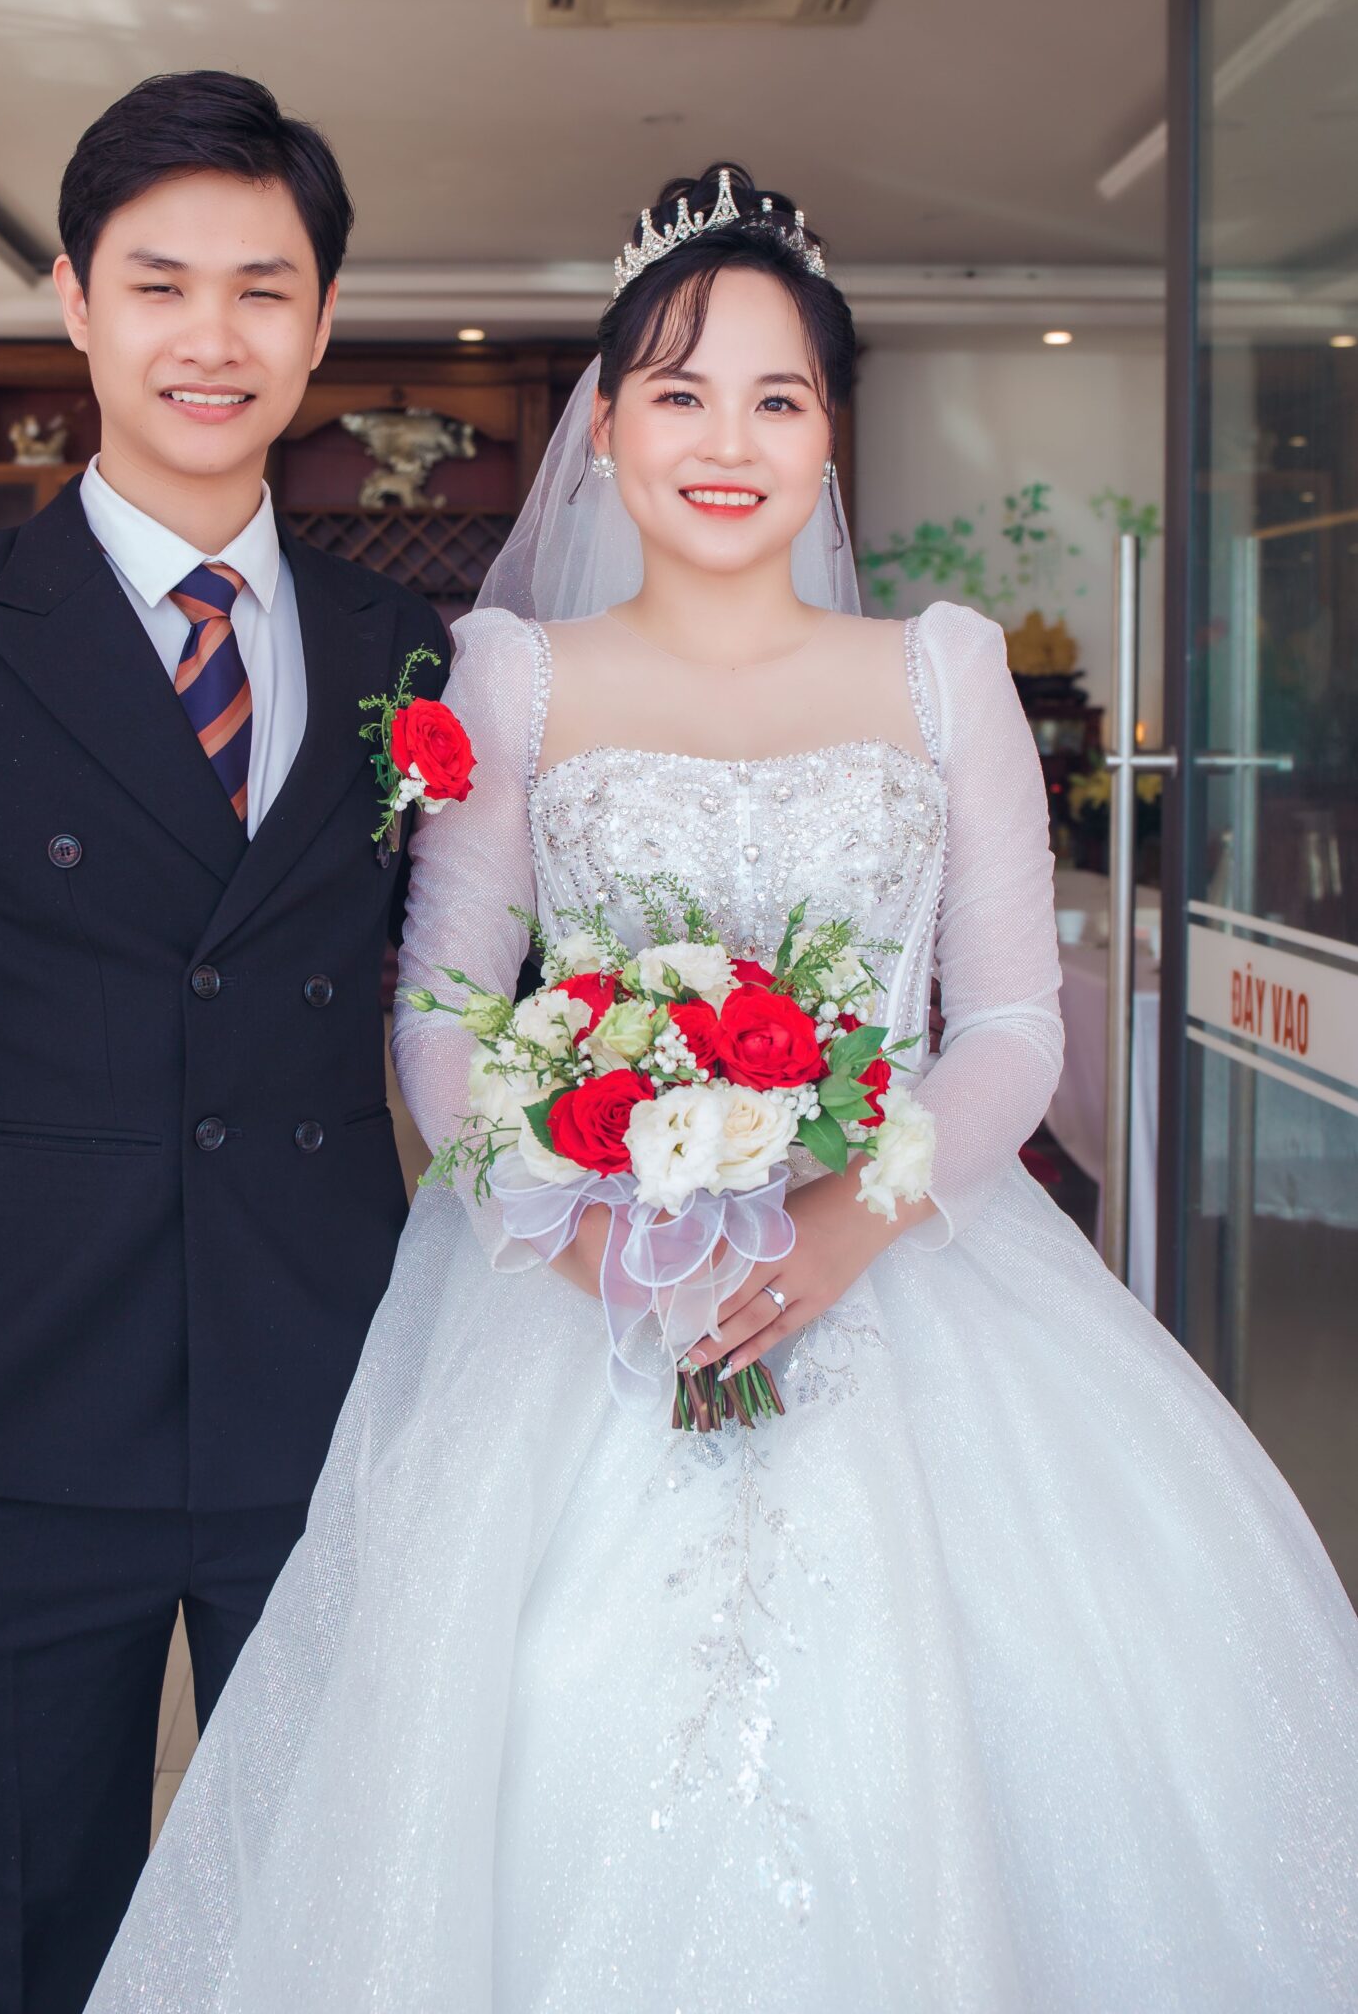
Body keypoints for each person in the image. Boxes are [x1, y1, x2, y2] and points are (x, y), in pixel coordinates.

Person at [88, 163, 1358, 2012]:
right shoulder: (512, 677)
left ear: (830, 436)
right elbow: (441, 1014)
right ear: (606, 426)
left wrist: (845, 1228)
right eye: (680, 393)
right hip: (583, 1299)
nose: (728, 442)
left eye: (779, 397)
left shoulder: (943, 673)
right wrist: (595, 1244)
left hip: (917, 1279)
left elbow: (1014, 1029)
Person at [0, 70, 449, 2014]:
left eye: (262, 288)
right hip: (17, 1418)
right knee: (44, 1948)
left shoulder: (401, 653)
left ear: (320, 321)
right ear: (74, 297)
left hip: (331, 1403)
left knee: (333, 1942)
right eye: (159, 282)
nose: (211, 336)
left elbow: (483, 1006)